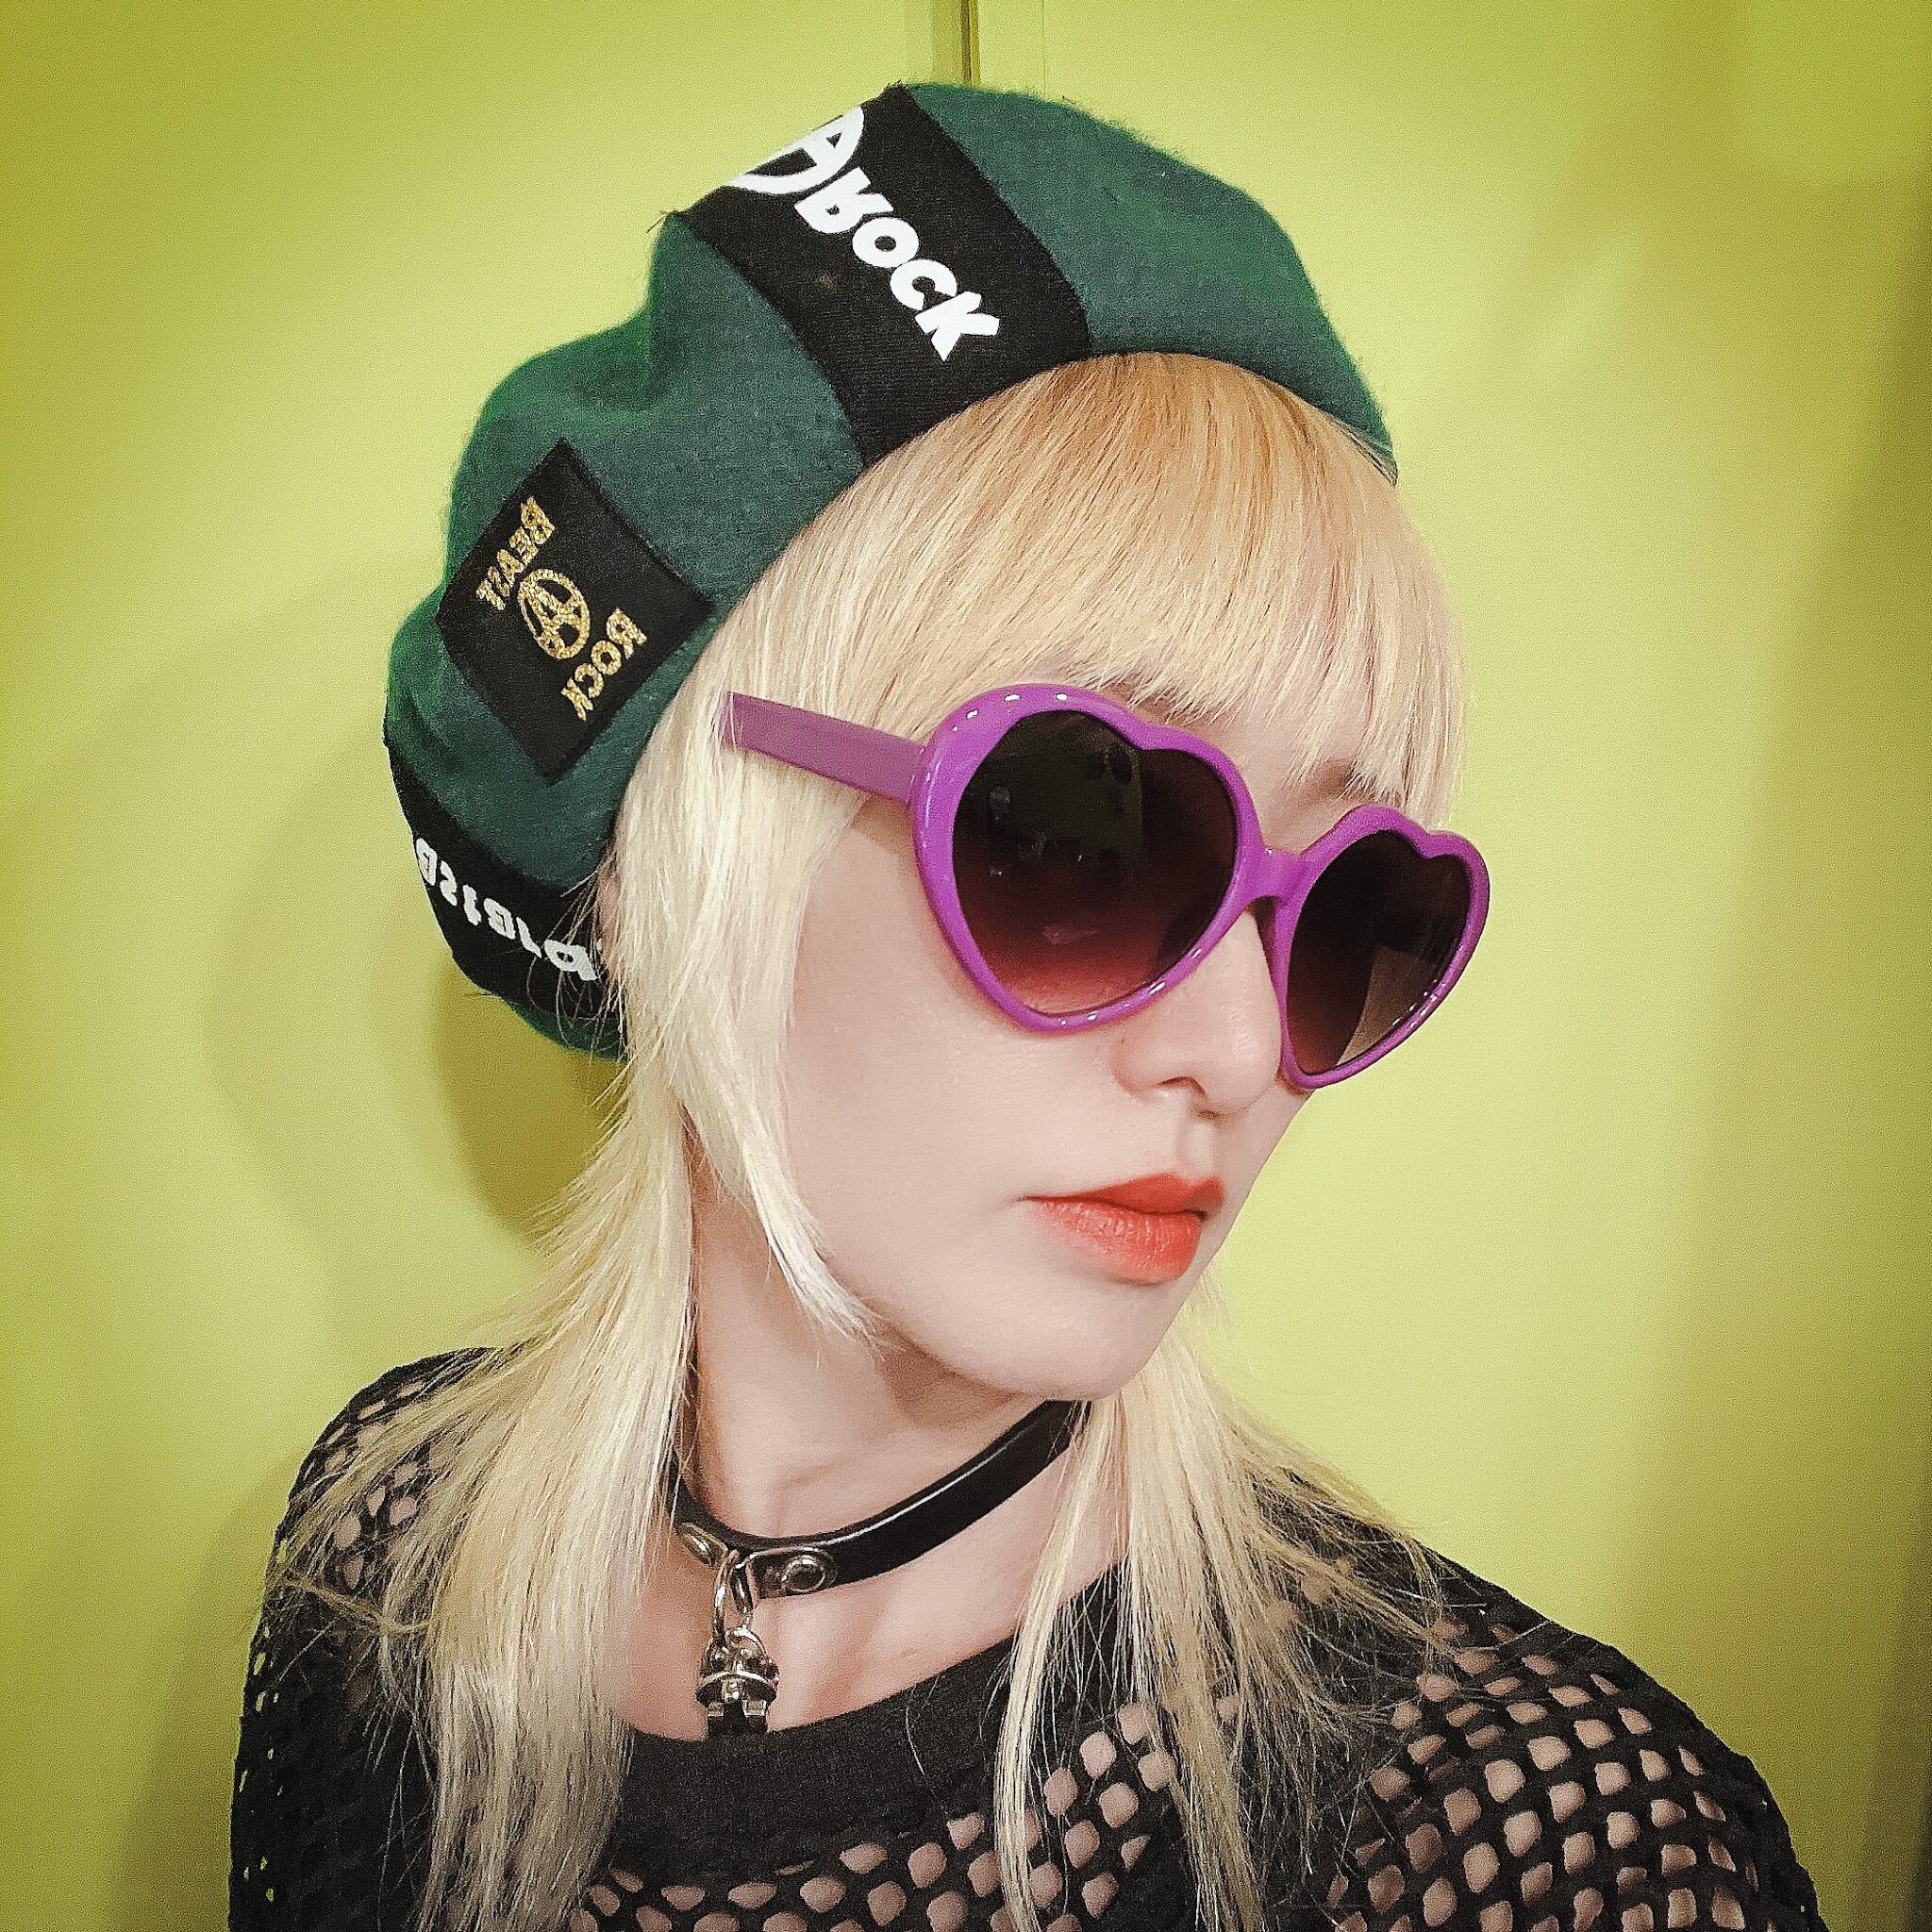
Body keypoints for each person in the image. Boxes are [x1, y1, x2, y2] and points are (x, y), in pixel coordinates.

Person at [228, 81, 1827, 1932]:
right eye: (1086, 836)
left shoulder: (1530, 1845)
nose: (1241, 1052)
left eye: (1350, 913)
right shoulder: (387, 1560)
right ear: (679, 861)